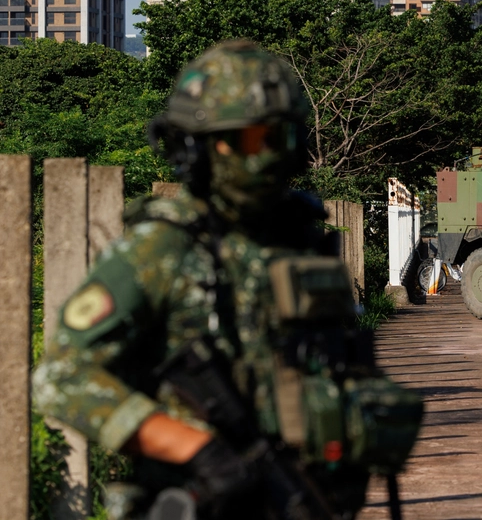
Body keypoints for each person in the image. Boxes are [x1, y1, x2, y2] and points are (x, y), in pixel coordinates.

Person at [33, 41, 422, 519]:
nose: (266, 158)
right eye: (248, 140)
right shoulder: (164, 247)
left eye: (279, 139)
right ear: (200, 147)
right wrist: (197, 450)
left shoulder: (298, 240)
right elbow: (63, 377)